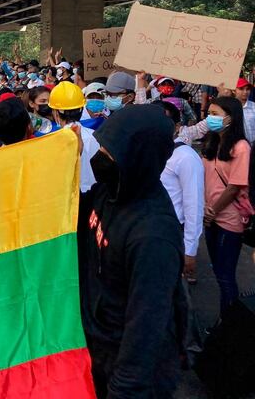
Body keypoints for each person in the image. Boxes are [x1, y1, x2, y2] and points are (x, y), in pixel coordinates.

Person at [78, 104, 185, 398]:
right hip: (95, 351)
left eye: (109, 152)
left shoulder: (153, 236)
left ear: (136, 158)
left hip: (125, 372)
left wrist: (124, 389)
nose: (100, 158)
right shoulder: (108, 190)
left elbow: (146, 327)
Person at [201, 96, 251, 317]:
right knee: (219, 273)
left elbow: (234, 187)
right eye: (209, 113)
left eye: (215, 114)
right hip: (209, 217)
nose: (210, 118)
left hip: (229, 220)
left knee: (225, 276)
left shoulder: (241, 147)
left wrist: (213, 212)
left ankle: (230, 325)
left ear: (230, 118)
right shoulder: (211, 142)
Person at [158, 100, 205, 284]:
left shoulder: (186, 157)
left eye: (165, 123)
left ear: (177, 126)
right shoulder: (151, 149)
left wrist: (190, 250)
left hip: (173, 232)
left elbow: (193, 205)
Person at [48, 81, 100, 192]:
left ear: (56, 113)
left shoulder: (52, 142)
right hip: (95, 197)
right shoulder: (95, 136)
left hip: (70, 200)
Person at [234, 77, 255, 143]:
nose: (245, 92)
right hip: (236, 147)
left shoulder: (253, 106)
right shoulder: (229, 107)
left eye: (247, 89)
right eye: (241, 89)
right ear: (234, 90)